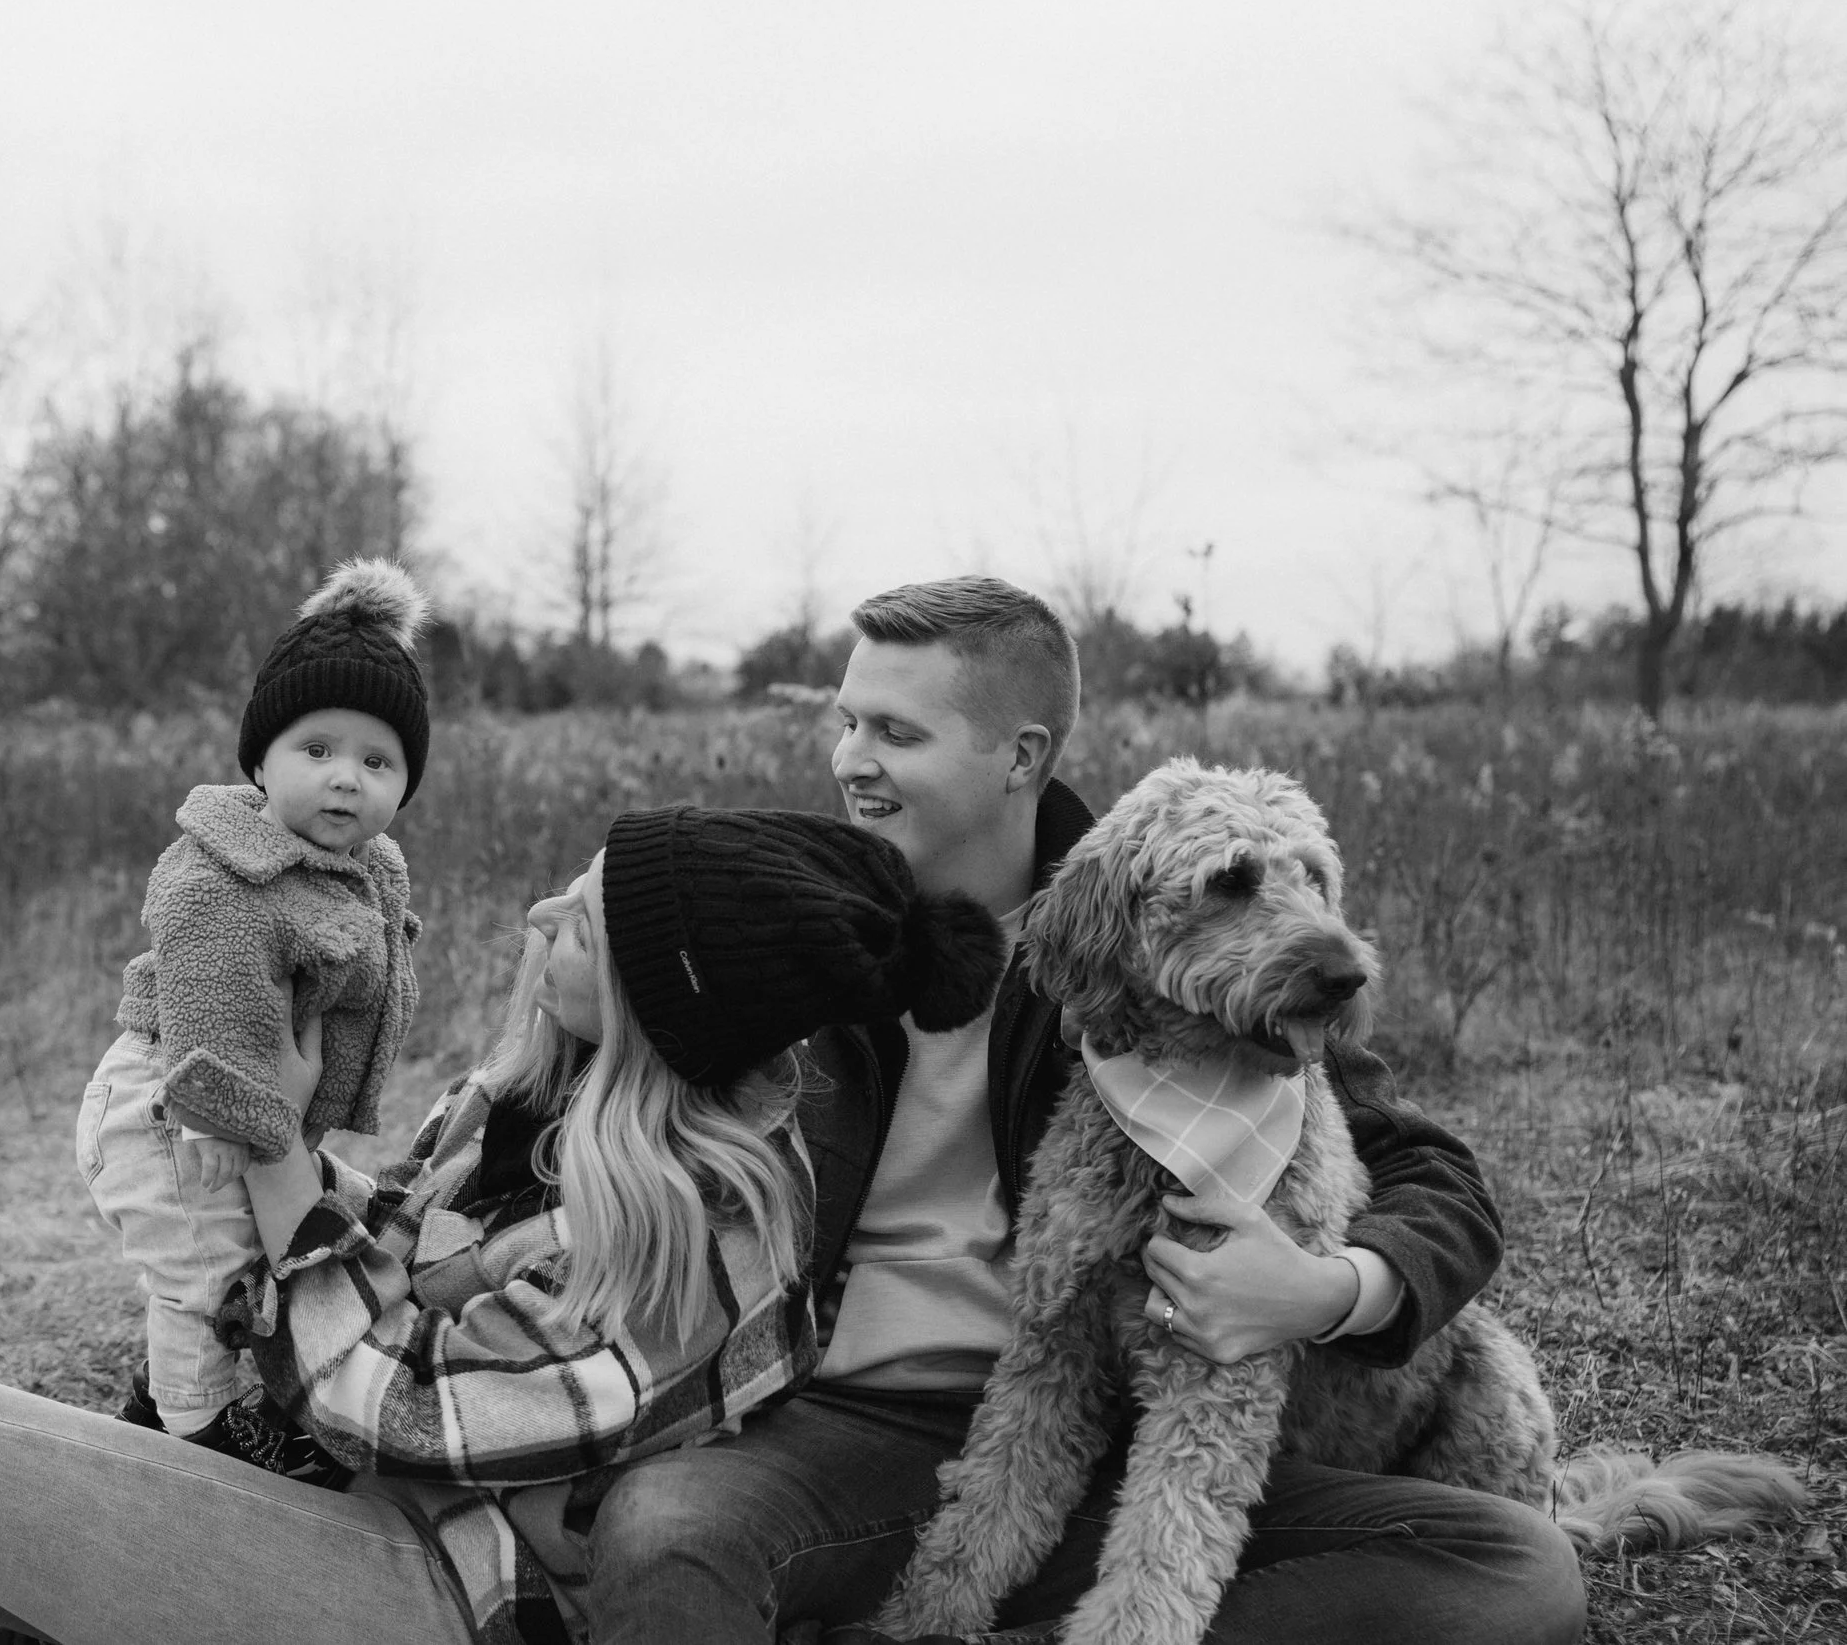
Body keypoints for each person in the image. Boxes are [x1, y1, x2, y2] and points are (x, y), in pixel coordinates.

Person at [0, 807, 1008, 1645]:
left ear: (660, 994)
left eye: (578, 916)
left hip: (421, 1597)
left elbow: (396, 1406)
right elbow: (345, 1314)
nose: (535, 914)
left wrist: (278, 1157)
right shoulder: (523, 1111)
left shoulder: (701, 1220)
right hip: (336, 1522)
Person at [580, 578, 1586, 1645]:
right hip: (850, 1430)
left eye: (895, 732)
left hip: (1141, 1441)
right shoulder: (782, 922)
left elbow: (1437, 1180)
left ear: (1020, 756)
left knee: (1520, 1569)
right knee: (663, 1527)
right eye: (848, 723)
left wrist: (1321, 1290)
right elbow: (611, 1118)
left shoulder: (1191, 971)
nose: (849, 761)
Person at [84, 556, 427, 1459]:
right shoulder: (228, 869)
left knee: (236, 1263)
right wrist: (216, 1114)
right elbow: (208, 986)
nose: (346, 778)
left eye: (377, 760)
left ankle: (159, 1408)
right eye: (317, 751)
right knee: (208, 1279)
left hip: (243, 1101)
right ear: (262, 761)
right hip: (172, 1102)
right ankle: (197, 1442)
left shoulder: (370, 868)